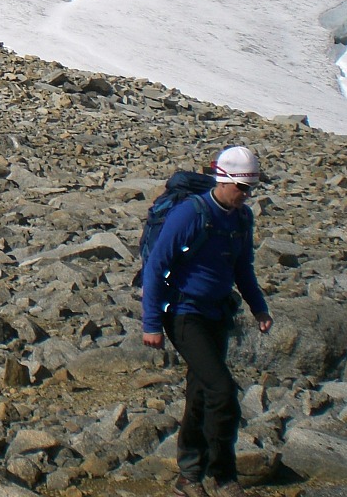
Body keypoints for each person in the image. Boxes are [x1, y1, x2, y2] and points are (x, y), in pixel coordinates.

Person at [141, 146, 273, 497]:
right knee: (221, 389)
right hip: (183, 313)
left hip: (216, 313)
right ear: (224, 179)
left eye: (250, 190)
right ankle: (224, 474)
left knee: (201, 392)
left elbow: (242, 268)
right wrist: (151, 324)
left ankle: (188, 477)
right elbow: (155, 267)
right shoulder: (190, 214)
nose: (246, 197)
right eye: (242, 189)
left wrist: (259, 308)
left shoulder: (241, 218)